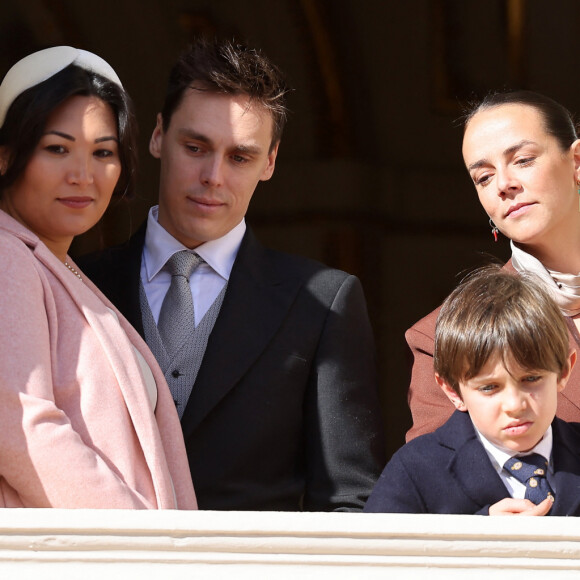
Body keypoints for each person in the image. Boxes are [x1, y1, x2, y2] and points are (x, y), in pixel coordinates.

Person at [79, 38, 385, 511]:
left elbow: (348, 499)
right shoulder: (78, 283)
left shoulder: (324, 303)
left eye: (239, 157)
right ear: (158, 135)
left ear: (270, 161)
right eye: (196, 146)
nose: (213, 176)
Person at [0, 46, 197, 509]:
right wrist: (142, 542)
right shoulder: (8, 256)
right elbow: (19, 422)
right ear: (6, 156)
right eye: (57, 149)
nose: (83, 175)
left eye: (102, 152)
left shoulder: (55, 265)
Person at [406, 90, 580, 441]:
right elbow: (436, 479)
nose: (503, 184)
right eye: (483, 178)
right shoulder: (445, 335)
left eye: (523, 160)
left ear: (576, 161)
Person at [365, 265, 580, 515]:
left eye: (531, 379)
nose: (514, 404)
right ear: (453, 391)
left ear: (564, 371)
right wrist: (479, 534)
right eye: (490, 387)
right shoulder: (416, 469)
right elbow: (375, 551)